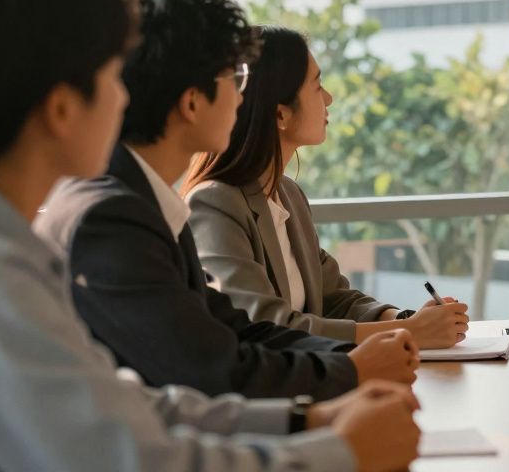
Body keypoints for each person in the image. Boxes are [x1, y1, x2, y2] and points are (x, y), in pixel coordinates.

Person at [0, 0, 419, 472]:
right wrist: (338, 448)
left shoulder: (112, 215)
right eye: (109, 77)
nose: (124, 97)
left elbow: (140, 400)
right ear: (61, 107)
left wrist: (307, 421)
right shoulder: (78, 232)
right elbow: (133, 447)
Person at [183, 25, 469, 347]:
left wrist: (405, 319)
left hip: (315, 377)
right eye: (317, 85)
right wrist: (407, 334)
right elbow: (265, 326)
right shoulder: (214, 204)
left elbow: (334, 298)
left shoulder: (288, 195)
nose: (329, 97)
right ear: (280, 114)